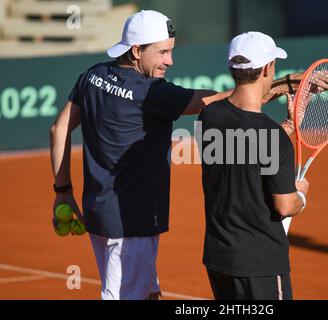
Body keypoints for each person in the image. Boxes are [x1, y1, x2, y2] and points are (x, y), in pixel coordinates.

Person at [49, 10, 232, 300]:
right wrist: (266, 89)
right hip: (130, 222)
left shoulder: (92, 76)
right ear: (136, 51)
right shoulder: (150, 92)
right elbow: (210, 101)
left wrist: (63, 191)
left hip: (102, 213)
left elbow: (58, 130)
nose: (169, 61)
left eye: (171, 51)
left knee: (149, 293)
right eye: (162, 52)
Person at [197, 31, 309, 300]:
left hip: (220, 260)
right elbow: (284, 205)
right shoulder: (273, 138)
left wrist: (288, 127)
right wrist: (301, 195)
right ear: (268, 68)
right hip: (261, 265)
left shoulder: (209, 116)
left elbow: (245, 147)